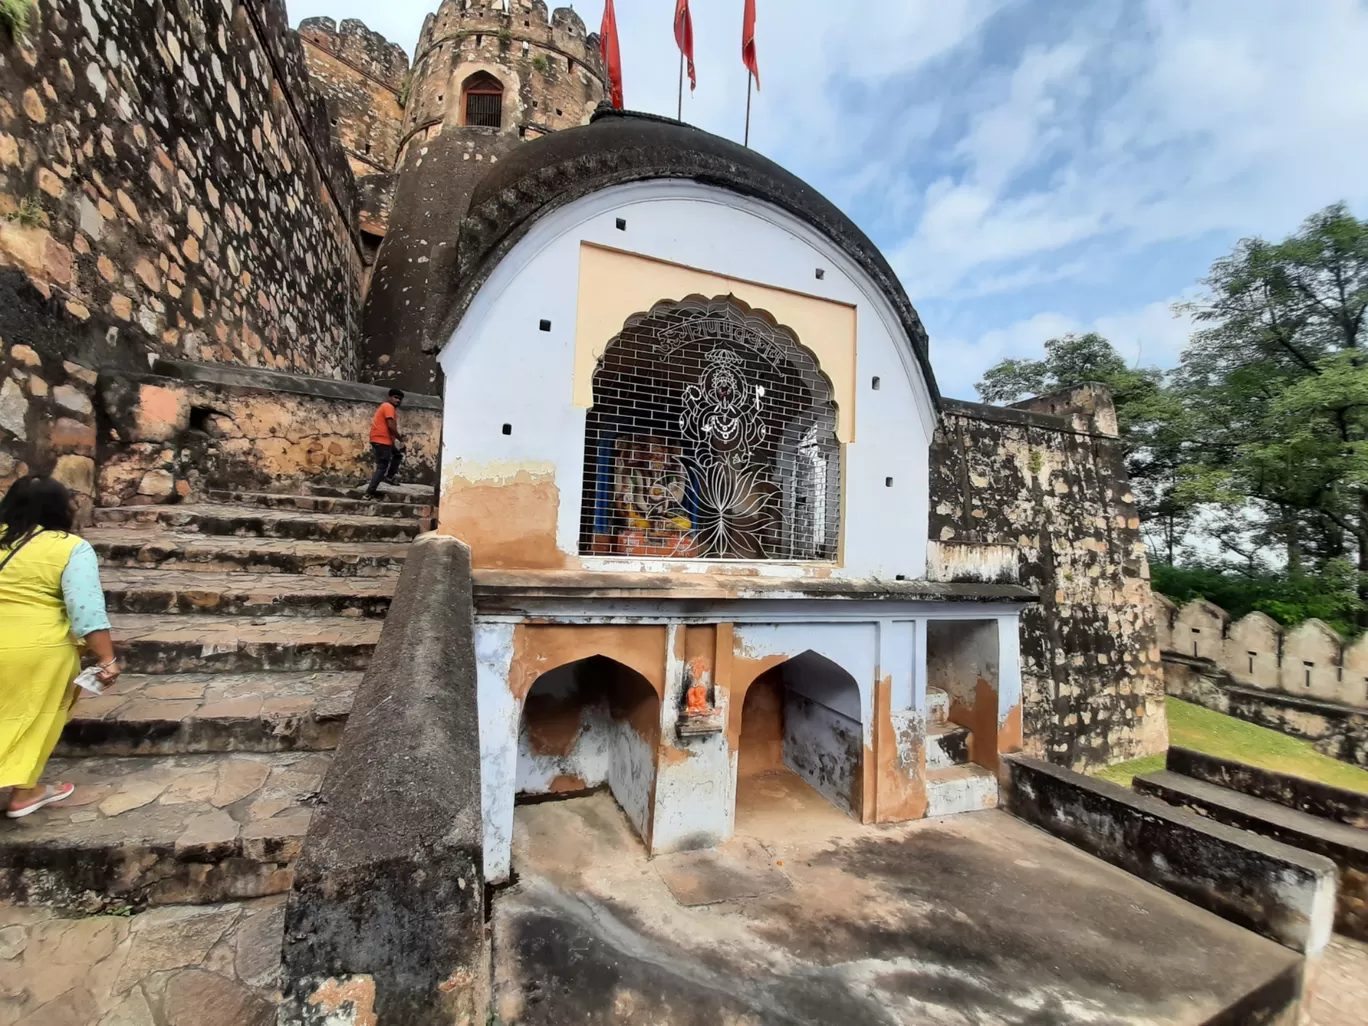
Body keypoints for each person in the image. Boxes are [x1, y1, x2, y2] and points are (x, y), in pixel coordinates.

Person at [0, 476, 119, 818]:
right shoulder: (68, 547)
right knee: (36, 715)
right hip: (36, 648)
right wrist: (107, 658)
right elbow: (86, 610)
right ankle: (24, 791)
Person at [365, 388, 406, 498]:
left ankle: (389, 477)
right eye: (396, 398)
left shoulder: (386, 407)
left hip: (384, 440)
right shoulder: (388, 407)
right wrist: (400, 439)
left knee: (397, 455)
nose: (398, 400)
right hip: (382, 441)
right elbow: (391, 426)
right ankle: (369, 492)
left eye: (400, 399)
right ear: (390, 397)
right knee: (382, 466)